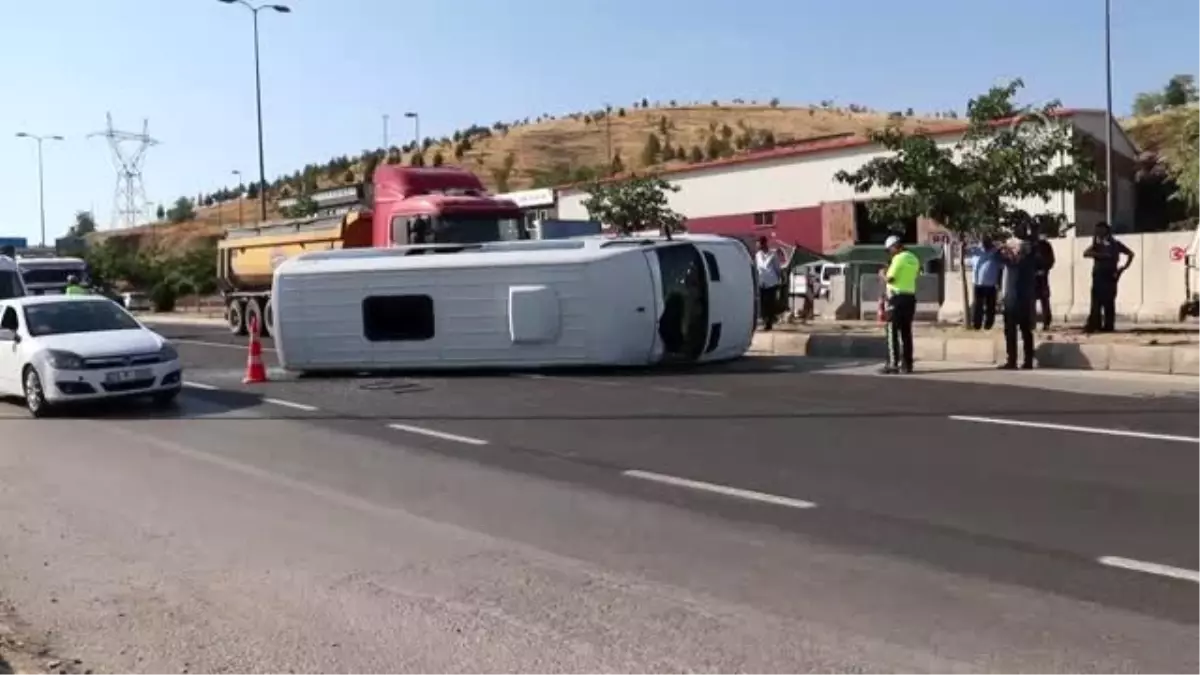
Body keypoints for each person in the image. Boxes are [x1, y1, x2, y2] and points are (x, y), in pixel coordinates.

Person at [997, 227, 1037, 370]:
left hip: (1018, 300)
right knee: (1016, 331)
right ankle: (1019, 360)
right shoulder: (1019, 263)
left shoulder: (1020, 263)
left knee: (1021, 331)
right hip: (1015, 300)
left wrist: (1006, 249)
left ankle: (1022, 360)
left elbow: (1007, 258)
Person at [1083, 222, 1133, 333]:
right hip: (1100, 276)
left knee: (1107, 302)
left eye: (1099, 230)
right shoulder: (1098, 244)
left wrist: (1122, 269)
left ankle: (1106, 325)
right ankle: (1098, 324)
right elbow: (1086, 253)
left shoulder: (1112, 244)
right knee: (1099, 302)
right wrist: (1100, 255)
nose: (1097, 233)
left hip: (1108, 276)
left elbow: (1130, 254)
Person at [881, 235, 919, 374]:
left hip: (896, 298)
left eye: (889, 250)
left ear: (895, 247)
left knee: (892, 331)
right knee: (906, 332)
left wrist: (882, 275)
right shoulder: (914, 258)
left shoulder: (898, 258)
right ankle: (907, 365)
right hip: (910, 298)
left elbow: (890, 279)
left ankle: (893, 363)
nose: (889, 253)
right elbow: (912, 276)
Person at [971, 238, 1002, 330]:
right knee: (978, 305)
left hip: (991, 284)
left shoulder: (996, 253)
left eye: (987, 242)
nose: (985, 244)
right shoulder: (976, 251)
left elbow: (1001, 267)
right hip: (978, 283)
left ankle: (989, 324)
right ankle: (977, 324)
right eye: (983, 242)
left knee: (990, 306)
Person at [754, 236, 783, 330]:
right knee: (763, 303)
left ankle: (769, 323)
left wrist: (779, 280)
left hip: (771, 283)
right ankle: (765, 320)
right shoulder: (757, 255)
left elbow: (777, 268)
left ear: (764, 243)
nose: (757, 245)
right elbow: (757, 268)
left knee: (770, 303)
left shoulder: (773, 254)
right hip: (761, 282)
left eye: (758, 243)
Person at [1031, 224, 1056, 330]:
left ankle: (1047, 322)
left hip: (1043, 276)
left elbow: (1051, 260)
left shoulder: (1047, 245)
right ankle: (1031, 322)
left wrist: (1044, 270)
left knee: (1044, 299)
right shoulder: (1031, 245)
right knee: (1031, 300)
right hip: (1032, 277)